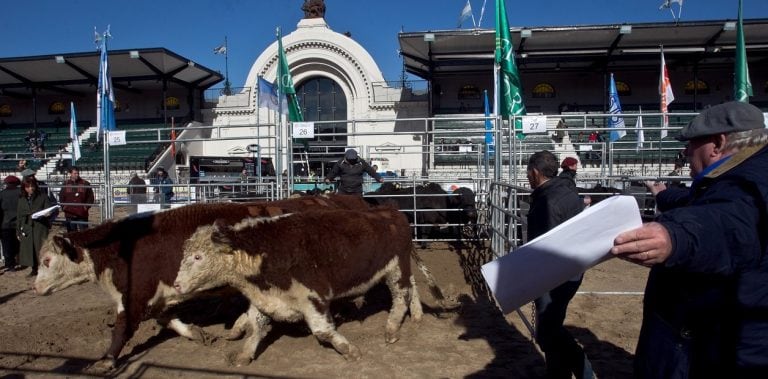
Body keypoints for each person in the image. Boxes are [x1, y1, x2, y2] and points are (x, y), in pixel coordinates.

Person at [611, 101, 768, 377]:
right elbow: (699, 202)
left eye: (691, 144)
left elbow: (727, 222)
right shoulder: (742, 174)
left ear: (717, 144)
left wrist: (675, 236)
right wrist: (662, 194)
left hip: (716, 350)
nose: (685, 152)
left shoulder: (749, 189)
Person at [526, 150, 593, 379]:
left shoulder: (546, 201)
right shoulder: (566, 189)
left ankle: (584, 372)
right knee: (552, 325)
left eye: (528, 172)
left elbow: (546, 247)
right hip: (572, 270)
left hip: (553, 275)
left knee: (548, 330)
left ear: (535, 172)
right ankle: (558, 373)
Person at [17, 176, 54, 277]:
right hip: (27, 227)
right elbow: (19, 216)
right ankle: (34, 269)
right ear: (24, 188)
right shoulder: (22, 199)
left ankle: (43, 269)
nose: (30, 189)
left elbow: (50, 210)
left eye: (32, 186)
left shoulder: (43, 196)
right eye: (28, 187)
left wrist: (47, 215)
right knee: (30, 249)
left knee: (41, 248)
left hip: (40, 227)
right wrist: (18, 232)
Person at [59, 166, 94, 231]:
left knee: (84, 232)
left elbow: (90, 197)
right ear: (70, 174)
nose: (77, 175)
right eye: (75, 173)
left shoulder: (85, 183)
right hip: (70, 213)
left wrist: (85, 207)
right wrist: (64, 207)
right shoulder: (65, 184)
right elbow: (61, 197)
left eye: (78, 173)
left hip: (82, 213)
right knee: (71, 233)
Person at [0, 175, 21, 272]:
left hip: (5, 223)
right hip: (19, 223)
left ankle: (10, 264)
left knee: (7, 245)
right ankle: (19, 259)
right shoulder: (21, 193)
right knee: (17, 243)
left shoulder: (2, 194)